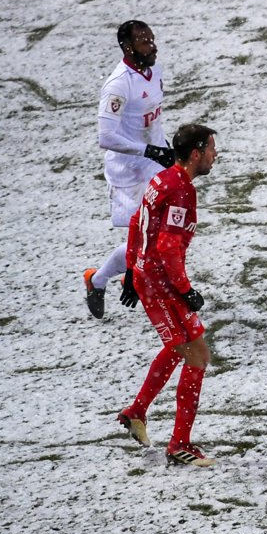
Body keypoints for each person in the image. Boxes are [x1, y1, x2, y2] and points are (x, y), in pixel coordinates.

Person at [115, 124, 218, 468]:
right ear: (196, 154)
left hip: (148, 277)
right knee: (198, 355)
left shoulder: (162, 179)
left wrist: (131, 269)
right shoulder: (182, 190)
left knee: (178, 347)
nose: (215, 156)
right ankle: (179, 445)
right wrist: (186, 290)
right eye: (211, 150)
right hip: (163, 283)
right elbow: (169, 246)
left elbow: (136, 222)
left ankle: (137, 411)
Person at [82, 20, 175, 319]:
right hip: (130, 173)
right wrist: (149, 150)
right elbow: (106, 137)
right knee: (146, 239)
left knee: (161, 234)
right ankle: (99, 280)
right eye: (144, 41)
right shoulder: (118, 84)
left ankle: (127, 276)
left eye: (152, 38)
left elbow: (150, 121)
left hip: (155, 163)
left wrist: (164, 148)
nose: (152, 45)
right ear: (127, 47)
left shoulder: (154, 72)